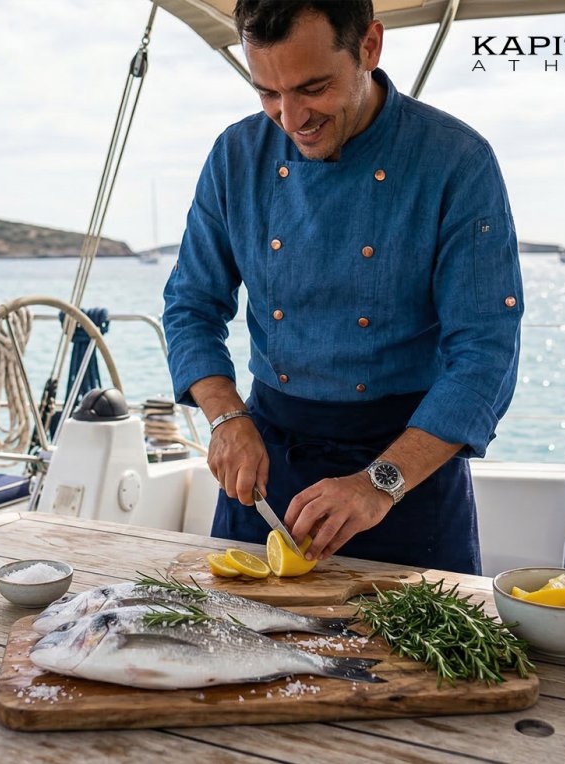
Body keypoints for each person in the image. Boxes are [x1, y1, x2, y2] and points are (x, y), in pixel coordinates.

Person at [162, 0, 523, 574]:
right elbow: (190, 304)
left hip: (407, 471)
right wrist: (227, 418)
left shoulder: (458, 161)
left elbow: (485, 353)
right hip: (266, 463)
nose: (290, 117)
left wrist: (380, 483)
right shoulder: (236, 155)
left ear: (370, 48)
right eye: (267, 93)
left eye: (313, 88)